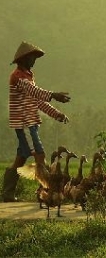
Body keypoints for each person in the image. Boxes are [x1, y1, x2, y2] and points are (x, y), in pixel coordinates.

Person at [2, 41, 71, 202]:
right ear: (24, 58)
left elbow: (37, 101)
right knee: (39, 154)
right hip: (24, 123)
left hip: (30, 123)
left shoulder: (28, 76)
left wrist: (56, 114)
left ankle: (7, 193)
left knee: (21, 156)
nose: (34, 61)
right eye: (32, 58)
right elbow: (34, 92)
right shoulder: (18, 76)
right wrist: (53, 94)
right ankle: (50, 190)